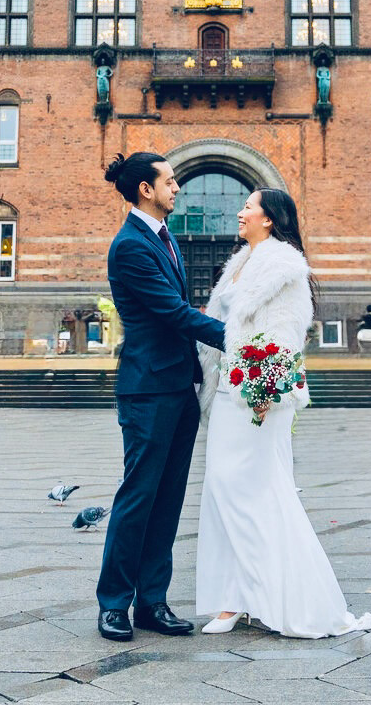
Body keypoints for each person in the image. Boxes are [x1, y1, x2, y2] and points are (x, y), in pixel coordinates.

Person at [196, 189, 371, 638]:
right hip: (227, 393)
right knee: (222, 491)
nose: (239, 211)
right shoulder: (240, 264)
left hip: (256, 396)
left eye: (249, 207)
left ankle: (287, 599)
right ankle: (235, 597)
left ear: (269, 219)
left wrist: (263, 388)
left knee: (254, 491)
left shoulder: (283, 268)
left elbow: (287, 336)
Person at [95, 153, 228, 643]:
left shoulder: (162, 237)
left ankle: (152, 601)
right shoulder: (131, 246)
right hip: (148, 390)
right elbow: (174, 312)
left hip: (178, 387)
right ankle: (114, 603)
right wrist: (240, 340)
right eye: (170, 181)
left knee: (168, 500)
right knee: (137, 498)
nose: (178, 187)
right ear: (146, 190)